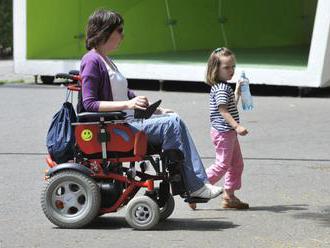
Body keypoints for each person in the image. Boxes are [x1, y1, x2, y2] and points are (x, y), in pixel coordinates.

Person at [79, 9, 223, 199]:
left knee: (171, 118)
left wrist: (152, 109)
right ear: (105, 31)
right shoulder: (92, 61)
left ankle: (191, 183)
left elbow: (122, 93)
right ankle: (192, 184)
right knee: (173, 124)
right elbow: (89, 104)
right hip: (117, 128)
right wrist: (129, 104)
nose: (123, 35)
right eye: (119, 30)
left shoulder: (106, 60)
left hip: (125, 123)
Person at [189, 47, 249, 209]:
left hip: (227, 132)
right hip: (224, 133)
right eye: (227, 67)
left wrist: (236, 92)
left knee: (236, 164)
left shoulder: (223, 87)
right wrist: (237, 126)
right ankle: (196, 188)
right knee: (222, 164)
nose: (231, 70)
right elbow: (223, 111)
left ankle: (229, 196)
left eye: (233, 66)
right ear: (215, 69)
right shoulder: (222, 88)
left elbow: (229, 107)